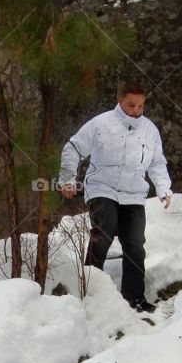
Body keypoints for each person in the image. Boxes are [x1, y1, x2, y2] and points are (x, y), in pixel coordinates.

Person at [59, 82, 172, 313]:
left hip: (134, 194)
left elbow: (157, 163)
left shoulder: (150, 130)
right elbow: (73, 148)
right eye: (131, 105)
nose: (136, 110)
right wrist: (67, 178)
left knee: (135, 244)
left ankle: (134, 299)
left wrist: (164, 189)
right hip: (103, 188)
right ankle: (88, 292)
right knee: (104, 231)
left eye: (141, 106)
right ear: (120, 101)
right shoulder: (101, 124)